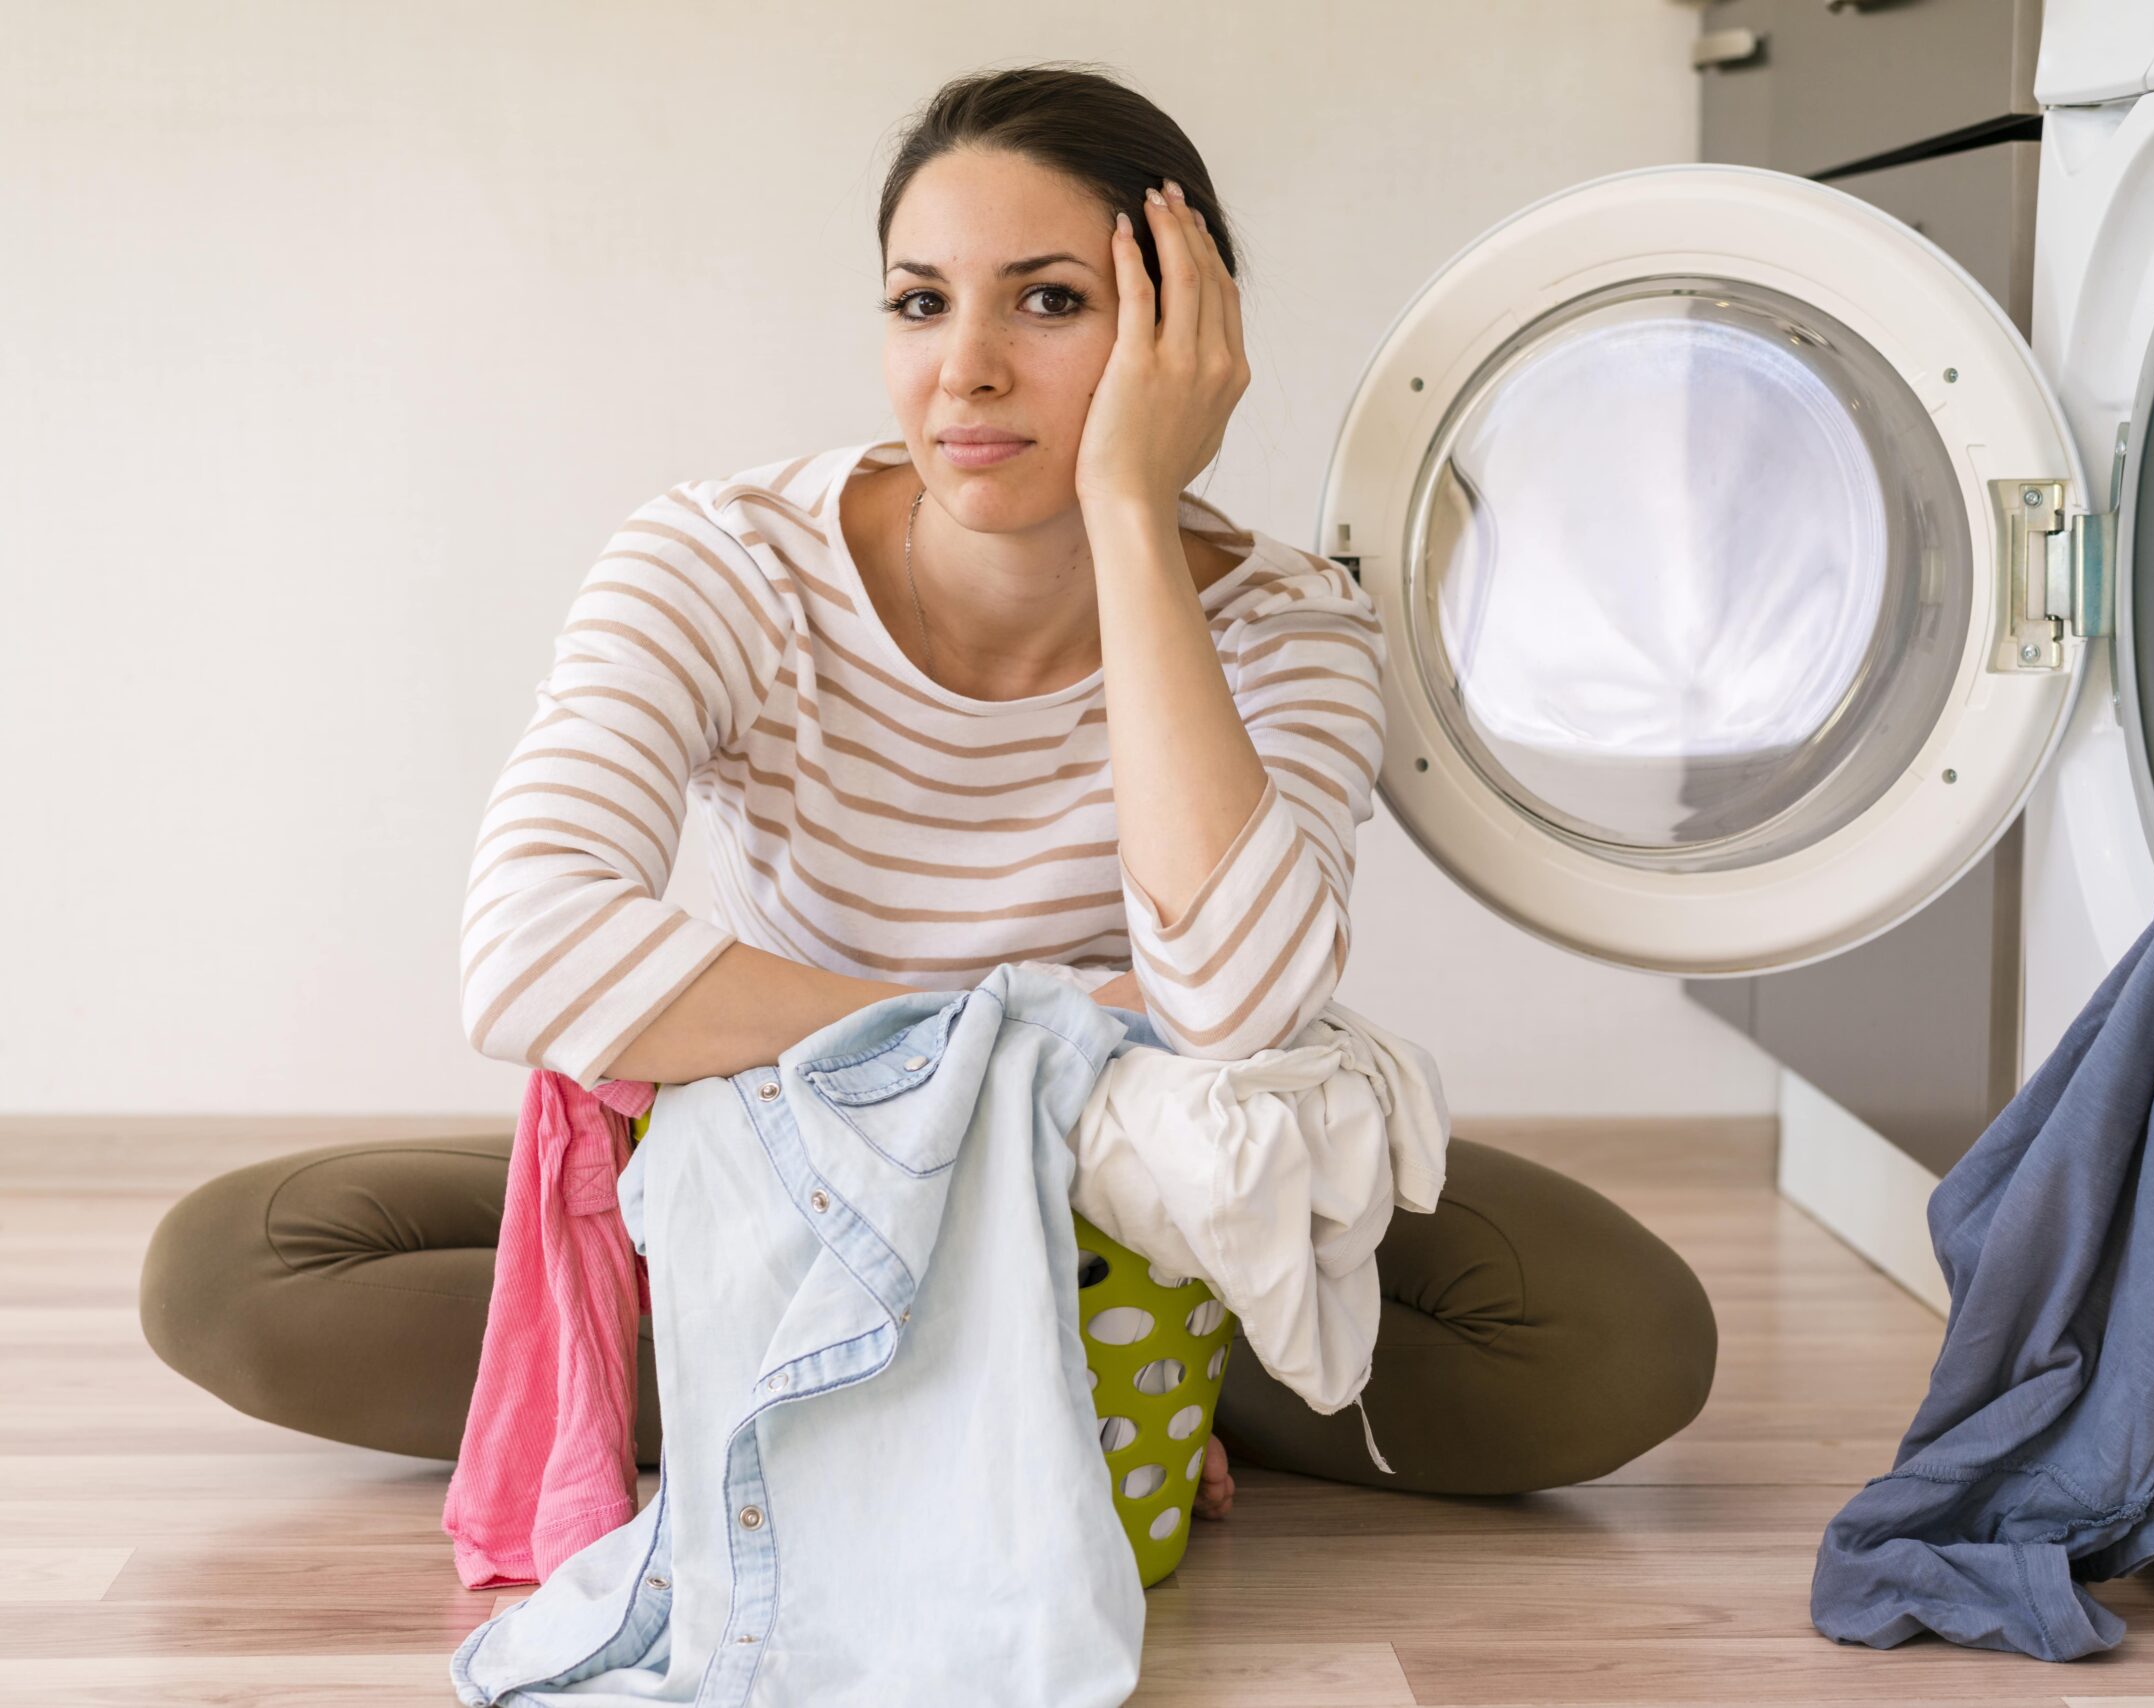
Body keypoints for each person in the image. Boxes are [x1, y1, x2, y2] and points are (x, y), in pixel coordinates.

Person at [137, 63, 1717, 1526]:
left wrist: (1127, 514)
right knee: (235, 1271)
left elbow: (1237, 1007)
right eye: (919, 301)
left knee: (1618, 1340)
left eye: (1049, 301)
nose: (964, 370)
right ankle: (1046, 1409)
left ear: (1180, 339)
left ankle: (924, 1386)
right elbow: (531, 951)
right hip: (779, 1171)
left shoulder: (1289, 622)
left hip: (1135, 1215)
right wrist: (990, 1046)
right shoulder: (725, 560)